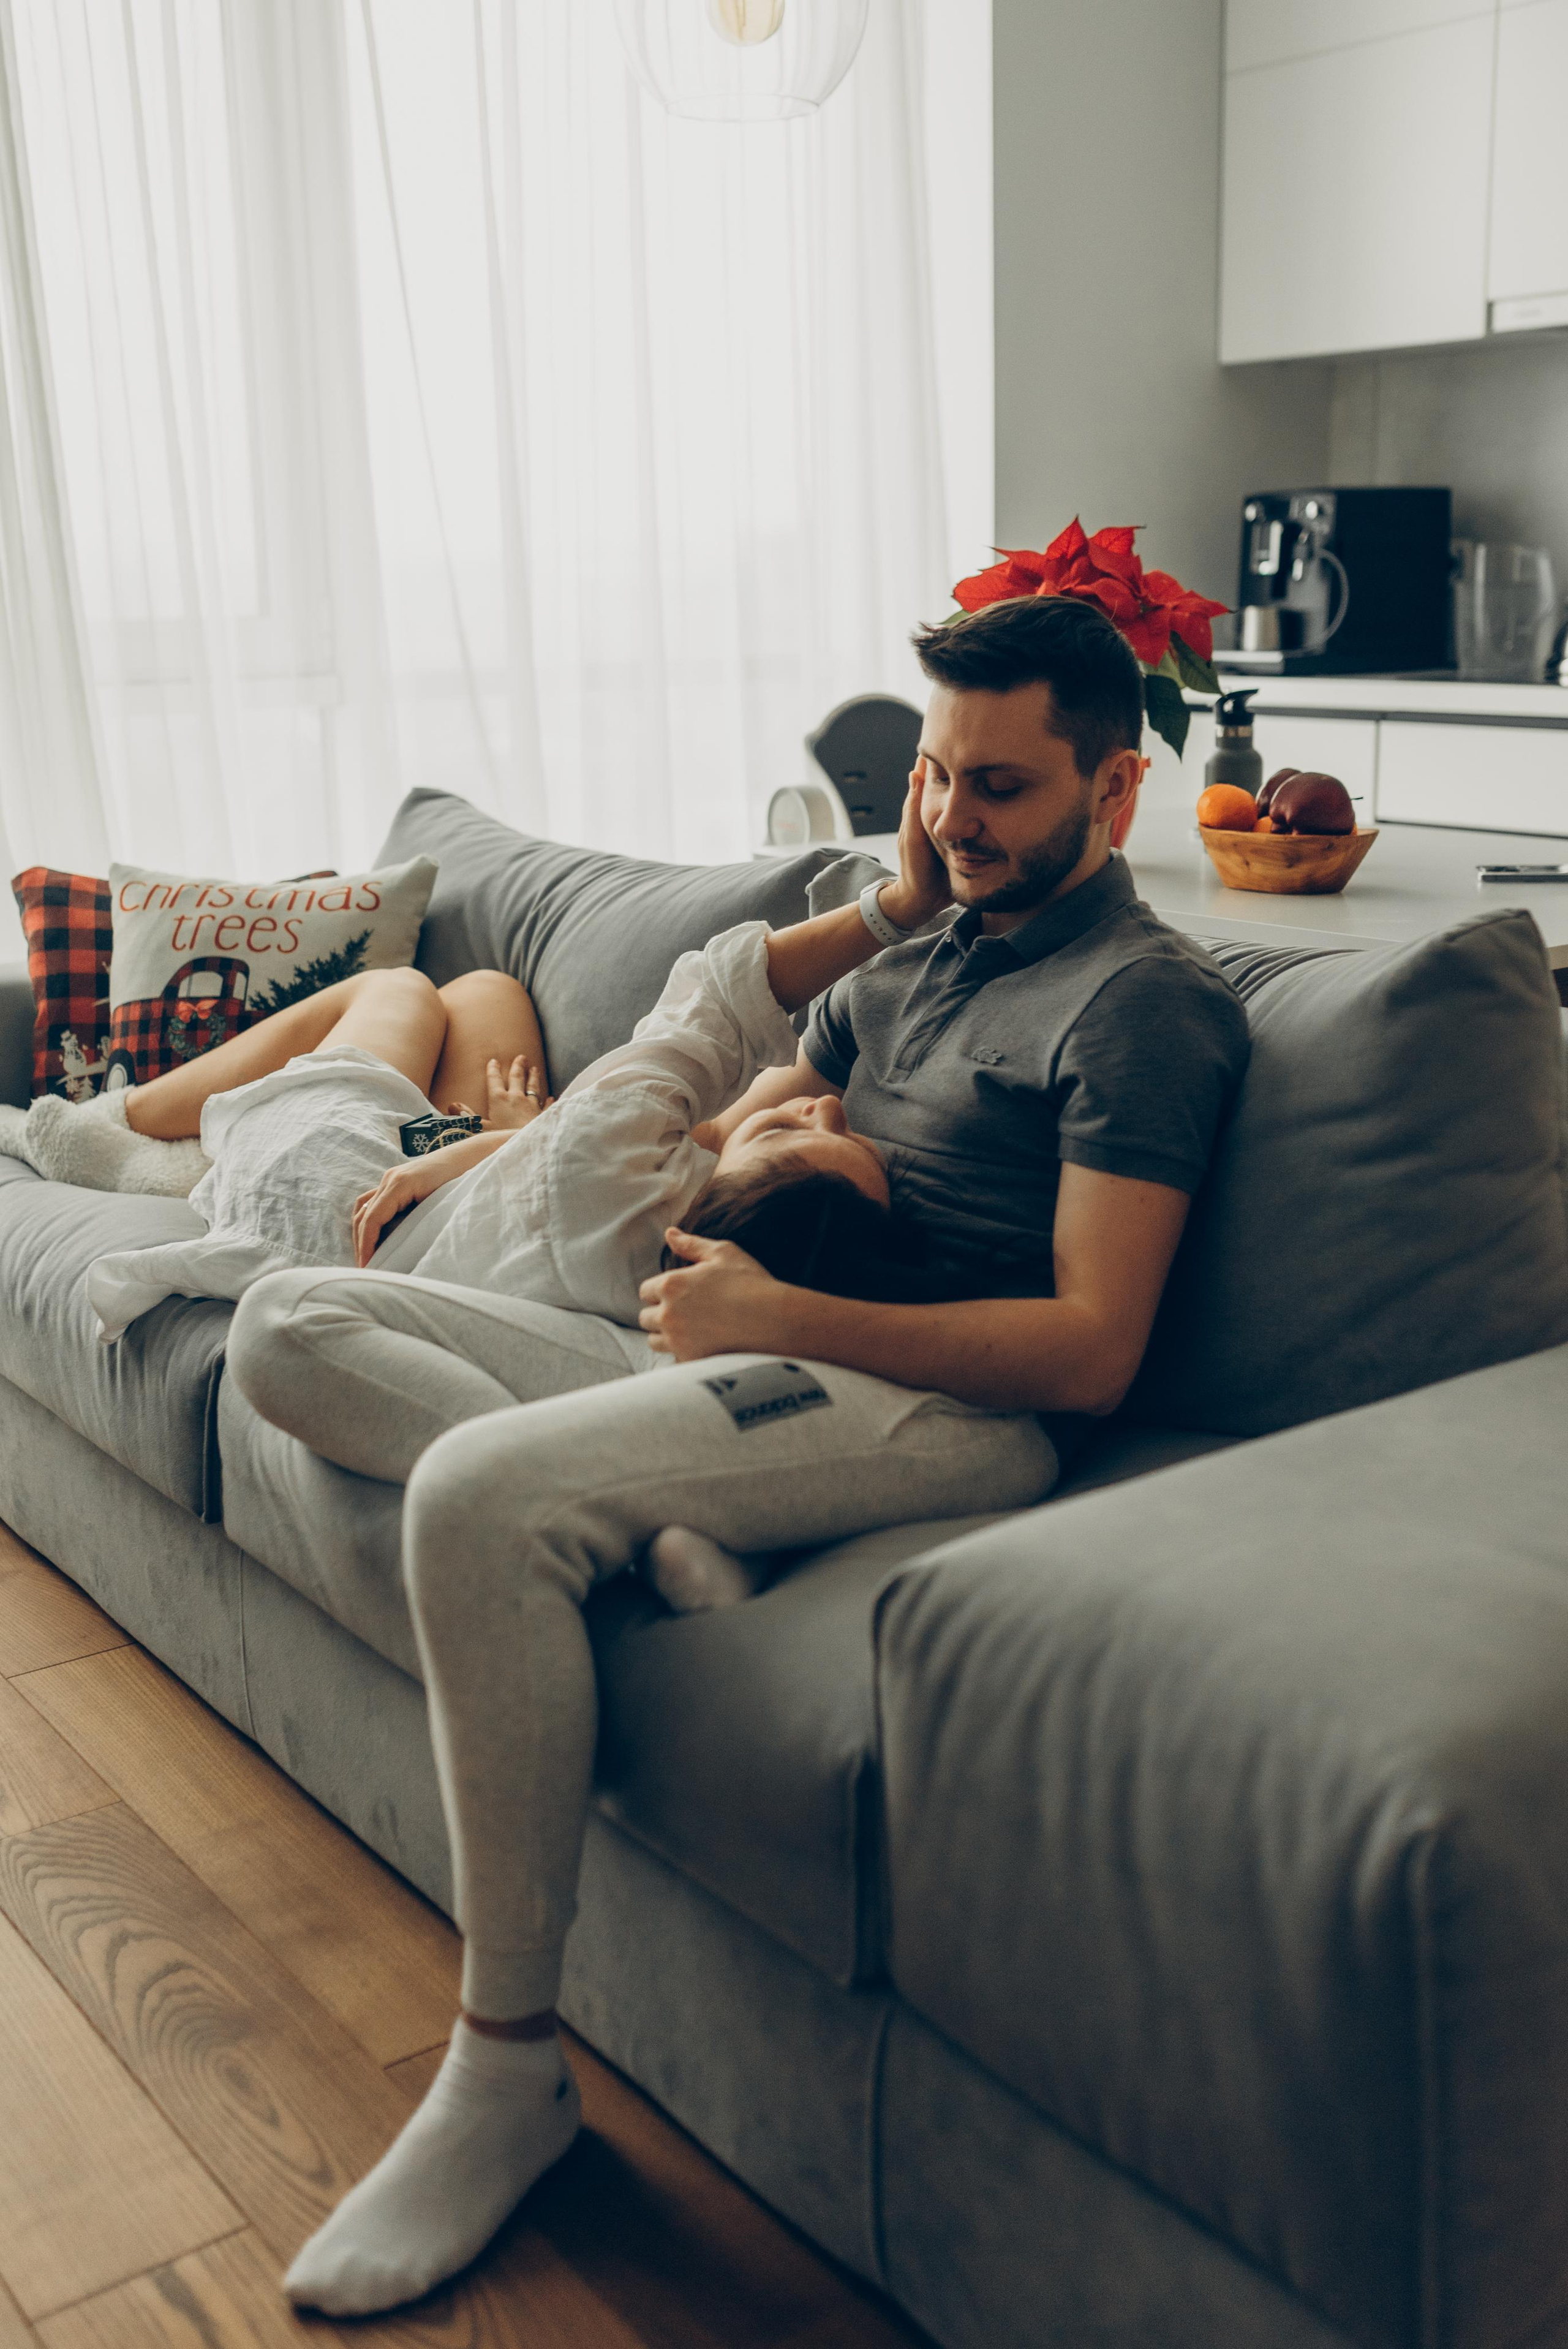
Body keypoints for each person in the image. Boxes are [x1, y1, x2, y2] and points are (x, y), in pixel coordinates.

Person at [226, 592, 1252, 2318]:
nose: (950, 817)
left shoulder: (1145, 1006)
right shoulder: (910, 952)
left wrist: (786, 1318)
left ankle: (508, 2069)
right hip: (752, 1330)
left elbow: (1091, 1349)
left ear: (1116, 792)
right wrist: (493, 1162)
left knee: (483, 1495)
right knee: (288, 1327)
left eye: (998, 786)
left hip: (941, 1403)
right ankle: (643, 1521)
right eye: (933, 773)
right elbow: (703, 1123)